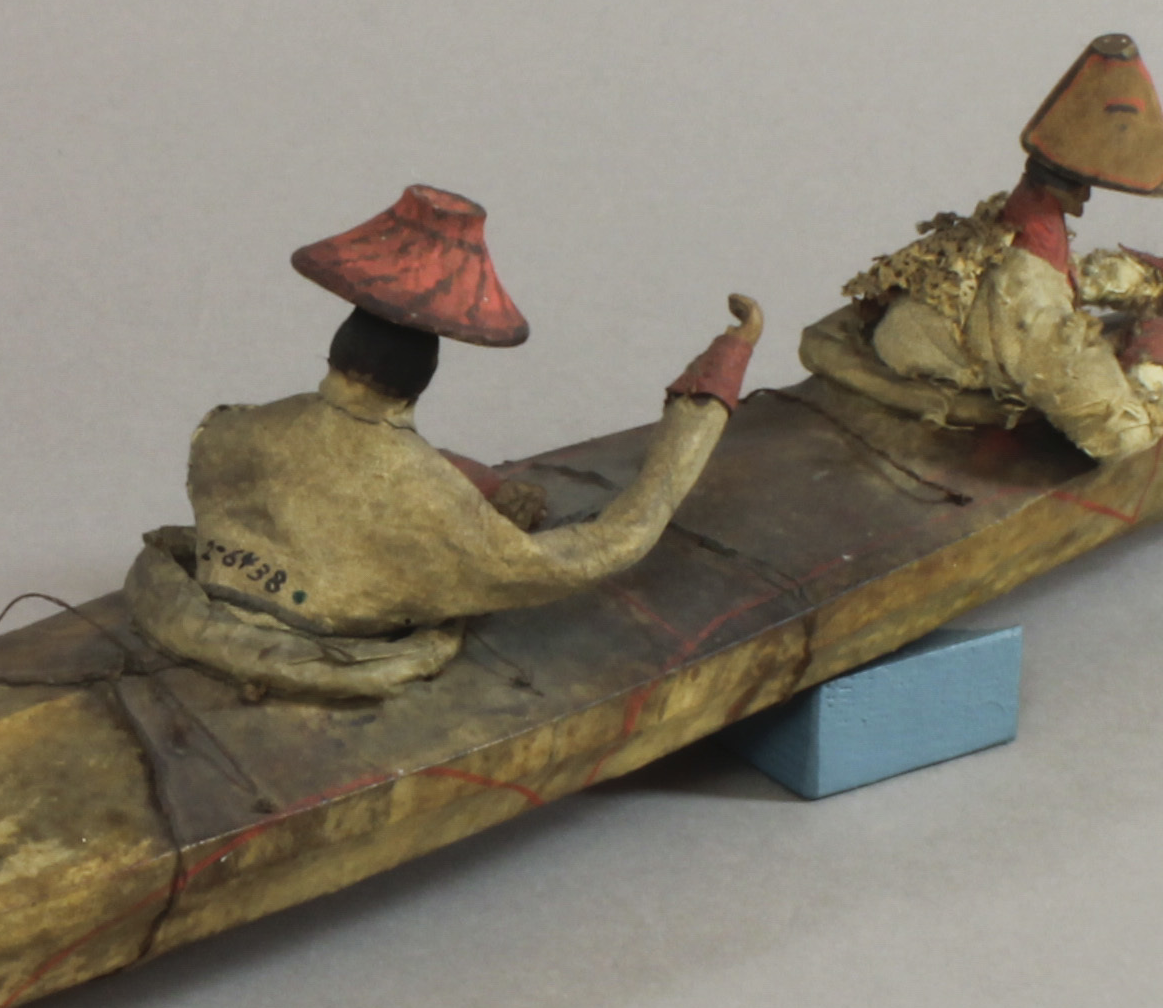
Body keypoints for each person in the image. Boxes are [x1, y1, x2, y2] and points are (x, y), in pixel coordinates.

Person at [128, 185, 760, 698]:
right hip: (338, 657)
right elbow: (606, 545)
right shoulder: (431, 502)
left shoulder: (227, 430)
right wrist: (711, 389)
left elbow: (341, 473)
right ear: (423, 374)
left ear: (342, 346)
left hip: (187, 612)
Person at [802, 35, 1163, 460]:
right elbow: (1126, 437)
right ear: (1080, 193)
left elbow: (1061, 274)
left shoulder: (998, 235)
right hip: (941, 373)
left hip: (917, 338)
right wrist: (1151, 341)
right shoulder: (1035, 317)